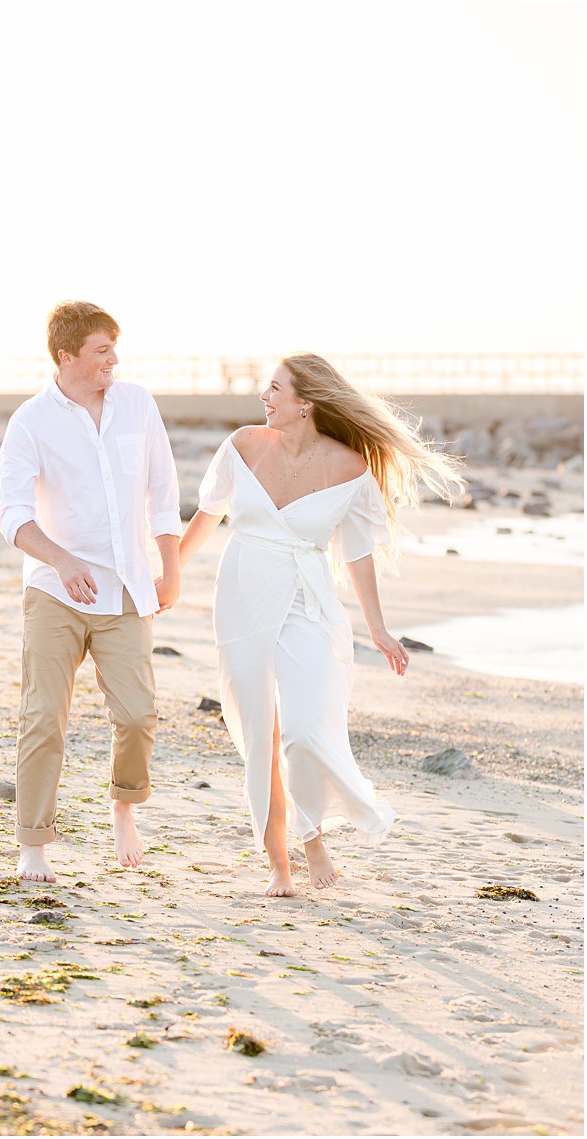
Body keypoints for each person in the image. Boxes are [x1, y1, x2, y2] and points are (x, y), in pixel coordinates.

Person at [178, 354, 464, 897]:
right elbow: (208, 513)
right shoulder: (242, 445)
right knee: (261, 733)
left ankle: (310, 829)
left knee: (306, 729)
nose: (264, 397)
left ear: (305, 402)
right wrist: (168, 575)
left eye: (274, 389)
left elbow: (357, 554)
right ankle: (286, 861)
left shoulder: (350, 467)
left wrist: (377, 628)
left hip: (308, 603)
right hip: (241, 593)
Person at [0, 301, 182, 882]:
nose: (113, 361)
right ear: (66, 356)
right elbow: (12, 515)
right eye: (102, 351)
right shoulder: (30, 421)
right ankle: (33, 844)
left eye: (114, 349)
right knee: (44, 716)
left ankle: (123, 805)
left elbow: (163, 489)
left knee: (138, 714)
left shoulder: (137, 404)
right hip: (55, 591)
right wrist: (61, 559)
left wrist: (170, 567)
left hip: (127, 587)